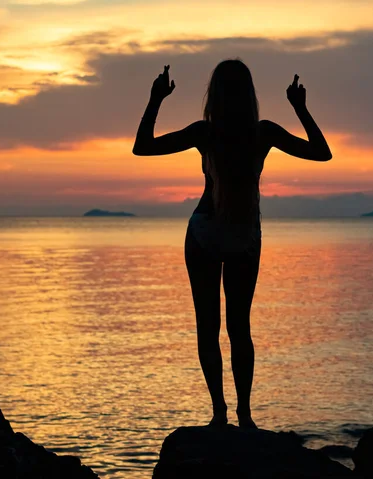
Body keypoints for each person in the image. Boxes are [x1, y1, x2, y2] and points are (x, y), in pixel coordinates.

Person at [133, 58, 332, 429]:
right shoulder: (264, 132)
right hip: (244, 234)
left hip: (205, 230)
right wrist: (301, 108)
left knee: (208, 327)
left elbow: (141, 147)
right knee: (239, 327)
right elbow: (322, 152)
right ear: (250, 95)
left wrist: (156, 98)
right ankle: (244, 415)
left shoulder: (203, 133)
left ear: (215, 95)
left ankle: (219, 415)